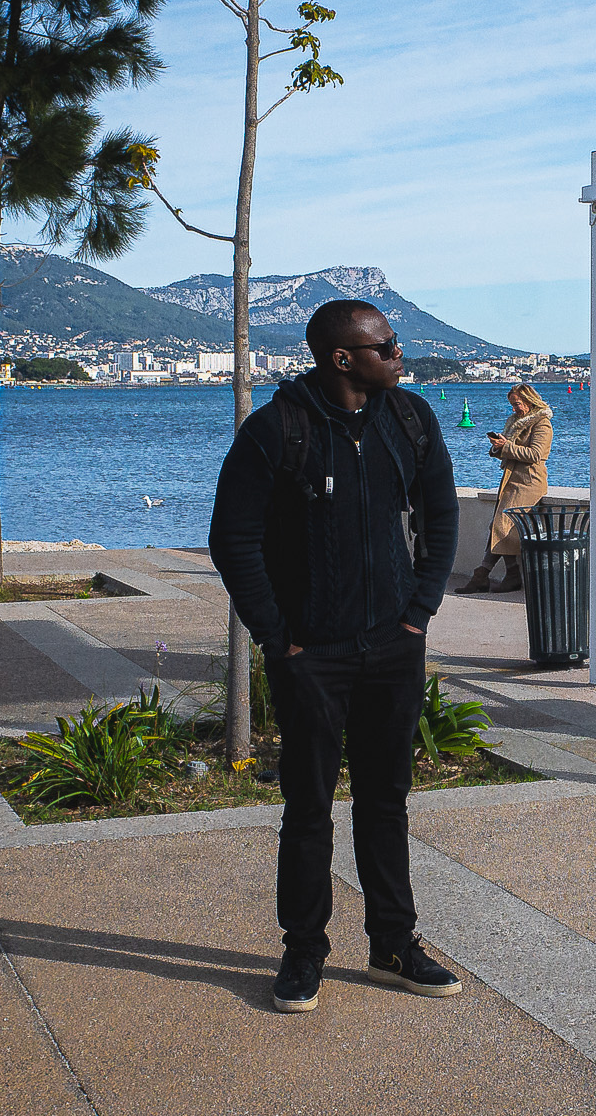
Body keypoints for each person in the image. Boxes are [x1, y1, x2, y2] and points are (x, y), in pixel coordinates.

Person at [208, 299, 463, 1011]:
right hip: (310, 654)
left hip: (392, 648)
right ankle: (303, 952)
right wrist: (276, 634)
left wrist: (419, 614)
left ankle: (393, 944)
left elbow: (441, 515)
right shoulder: (277, 430)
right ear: (342, 358)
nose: (399, 353)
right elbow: (232, 538)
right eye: (385, 345)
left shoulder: (410, 421)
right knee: (309, 806)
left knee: (386, 800)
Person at [456, 383, 553, 594]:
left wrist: (506, 447)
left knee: (501, 525)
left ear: (529, 401)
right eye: (512, 404)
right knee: (499, 526)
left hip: (528, 482)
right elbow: (514, 451)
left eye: (517, 404)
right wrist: (498, 447)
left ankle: (486, 574)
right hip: (512, 480)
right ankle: (503, 574)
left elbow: (536, 455)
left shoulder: (542, 424)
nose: (514, 409)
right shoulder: (516, 422)